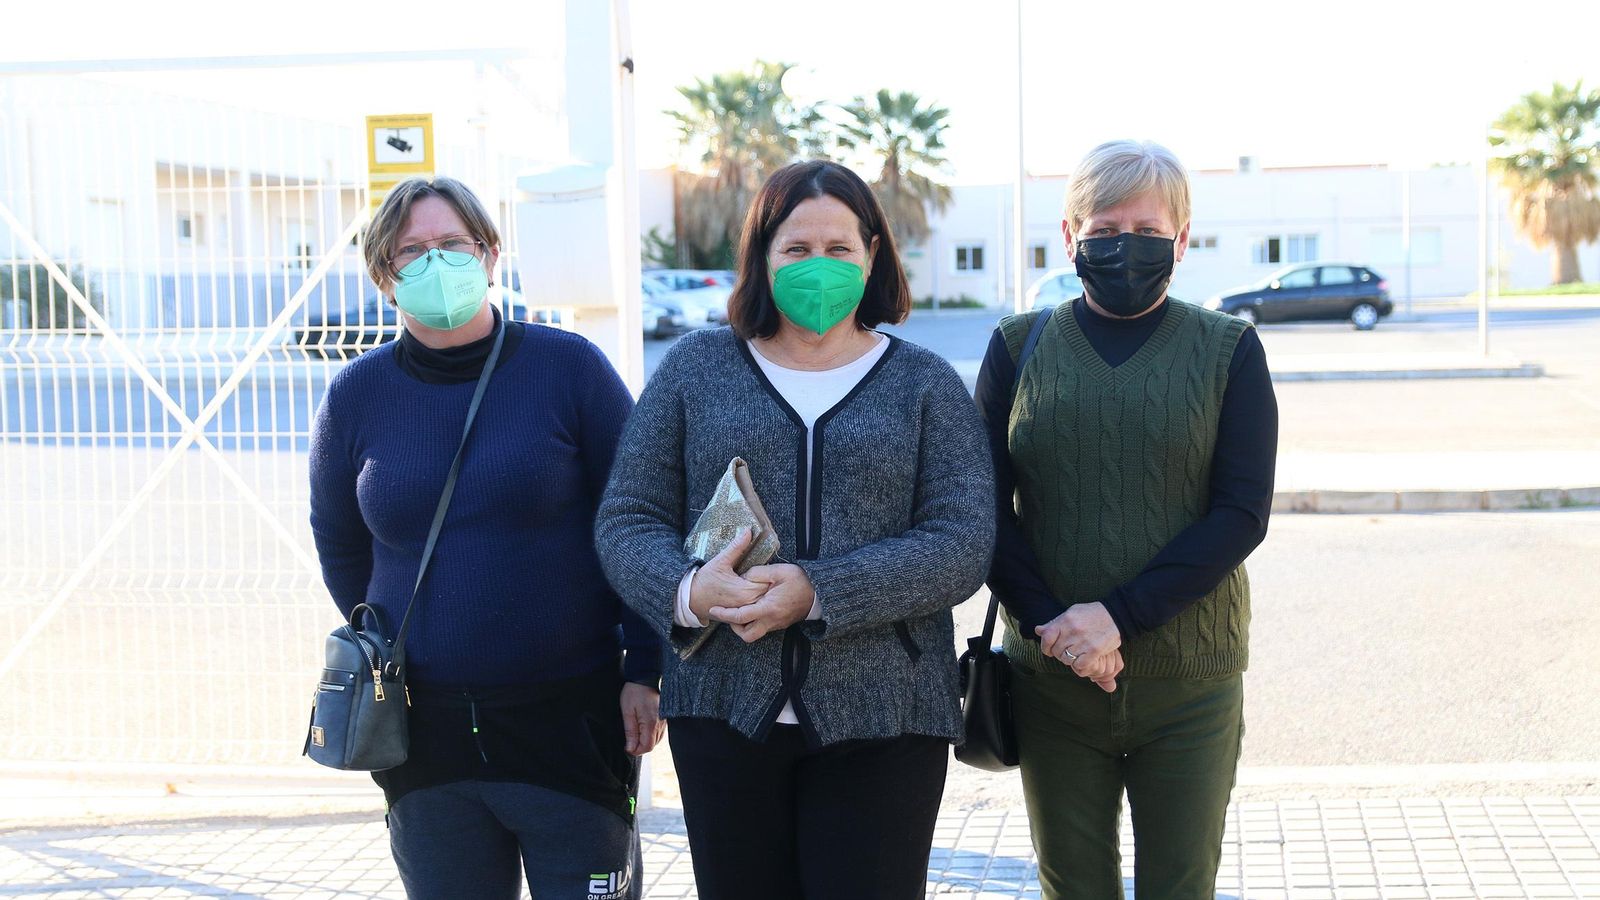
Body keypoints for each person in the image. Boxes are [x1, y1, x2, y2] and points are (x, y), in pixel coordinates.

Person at [594, 159, 995, 900]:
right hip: (722, 713)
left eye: (840, 249)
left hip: (887, 717)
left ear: (872, 255)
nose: (820, 267)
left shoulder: (925, 383)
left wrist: (819, 590)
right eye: (797, 249)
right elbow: (628, 517)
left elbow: (962, 540)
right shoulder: (694, 369)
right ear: (762, 257)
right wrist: (689, 591)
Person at [308, 175, 663, 899]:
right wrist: (386, 645)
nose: (434, 263)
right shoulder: (356, 395)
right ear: (384, 276)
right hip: (425, 736)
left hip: (571, 720)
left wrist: (645, 668)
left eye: (452, 244)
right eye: (411, 252)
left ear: (491, 254)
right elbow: (340, 540)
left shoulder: (568, 370)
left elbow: (641, 518)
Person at [976, 140, 1278, 899]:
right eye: (1105, 228)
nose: (1126, 246)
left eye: (1148, 231)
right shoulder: (1019, 346)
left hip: (1191, 682)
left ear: (1180, 240)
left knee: (1181, 885)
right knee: (1071, 884)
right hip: (1050, 681)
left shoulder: (1228, 349)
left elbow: (1240, 514)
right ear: (1072, 236)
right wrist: (1059, 631)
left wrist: (1114, 618)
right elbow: (983, 509)